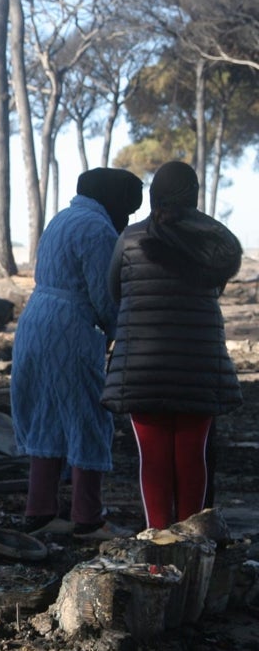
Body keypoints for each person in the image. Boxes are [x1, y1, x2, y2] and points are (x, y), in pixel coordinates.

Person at [101, 160, 242, 530]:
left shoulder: (130, 237)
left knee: (154, 461)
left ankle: (159, 550)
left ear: (154, 196)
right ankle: (192, 542)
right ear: (193, 197)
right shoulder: (215, 241)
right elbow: (216, 289)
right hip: (198, 365)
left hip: (142, 368)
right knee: (193, 458)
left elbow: (114, 291)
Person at [10, 167, 143, 541]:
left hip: (35, 319)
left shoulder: (63, 218)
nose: (126, 218)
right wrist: (123, 334)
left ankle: (40, 512)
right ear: (114, 200)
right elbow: (104, 294)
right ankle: (88, 517)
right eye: (127, 210)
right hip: (70, 326)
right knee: (88, 416)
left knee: (45, 416)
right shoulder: (97, 229)